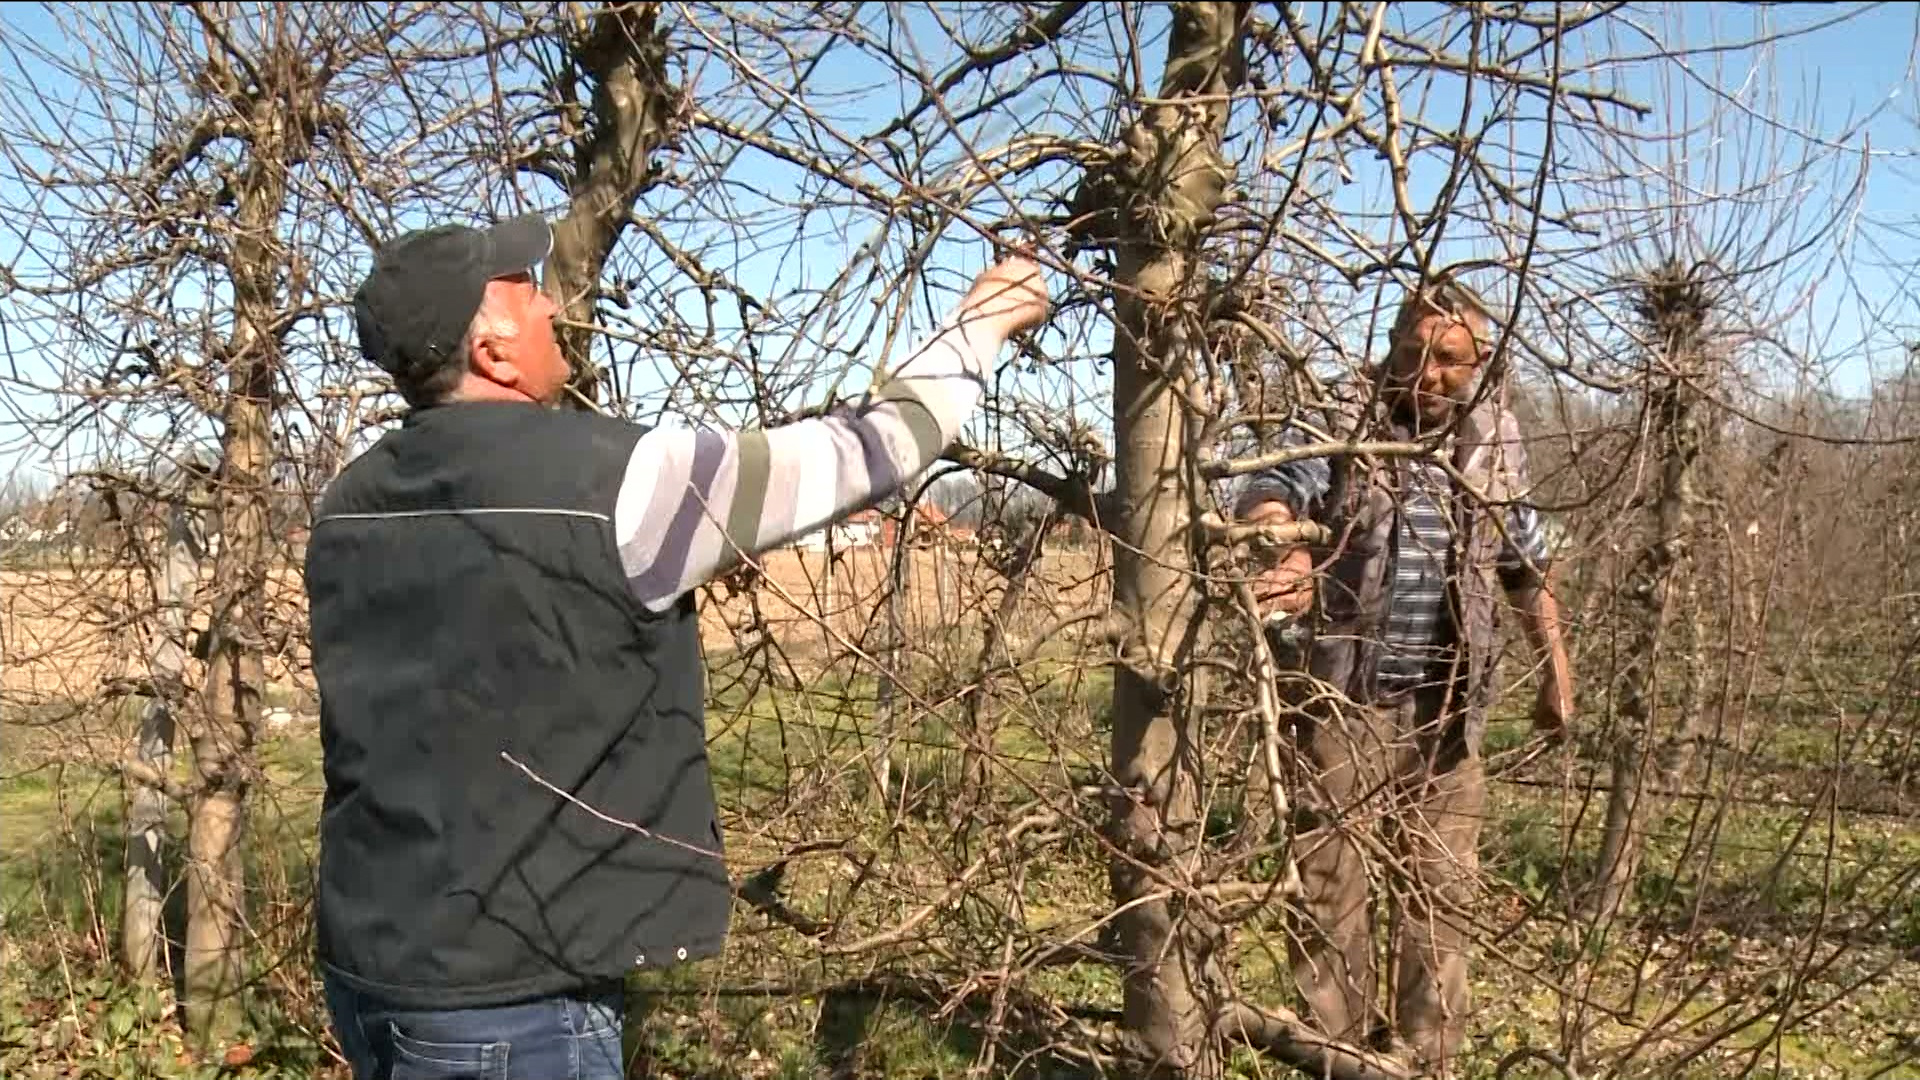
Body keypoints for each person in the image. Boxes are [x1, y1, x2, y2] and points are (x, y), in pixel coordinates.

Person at [303, 213, 1049, 1079]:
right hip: (514, 1003)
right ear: (493, 352)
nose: (553, 308)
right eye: (527, 293)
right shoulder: (627, 485)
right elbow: (872, 450)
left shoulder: (345, 505)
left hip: (371, 973)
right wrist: (983, 321)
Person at [1234, 275, 1573, 1075]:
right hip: (1341, 700)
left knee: (1440, 904)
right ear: (1389, 346)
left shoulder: (1497, 436)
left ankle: (1428, 1064)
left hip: (1450, 710)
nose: (1428, 376)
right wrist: (1281, 542)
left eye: (1450, 360)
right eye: (1414, 354)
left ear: (1481, 361)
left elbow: (1528, 562)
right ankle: (1335, 1059)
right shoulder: (1342, 413)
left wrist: (1554, 667)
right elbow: (1272, 484)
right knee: (1329, 900)